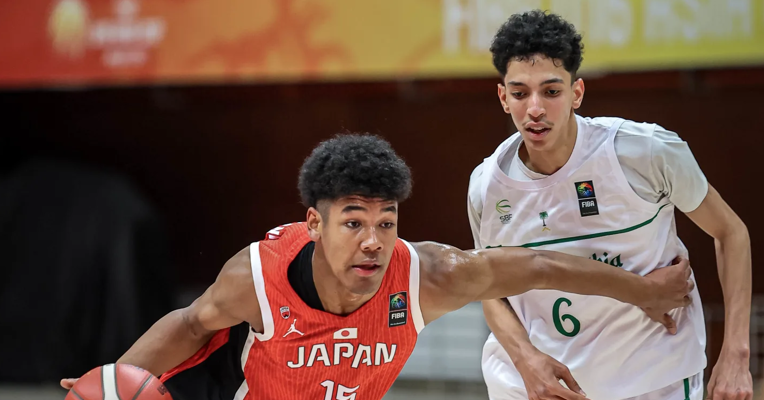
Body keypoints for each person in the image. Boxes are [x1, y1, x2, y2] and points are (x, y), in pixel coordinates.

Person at [62, 134, 693, 400]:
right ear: (315, 224)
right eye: (354, 223)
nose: (373, 241)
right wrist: (115, 379)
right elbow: (191, 323)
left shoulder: (429, 276)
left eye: (386, 222)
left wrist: (641, 292)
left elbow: (540, 266)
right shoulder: (257, 277)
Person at [468, 10, 752, 400]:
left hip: (651, 378)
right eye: (520, 93)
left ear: (577, 93)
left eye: (551, 92)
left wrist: (736, 353)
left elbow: (731, 232)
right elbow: (489, 288)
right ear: (503, 97)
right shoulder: (486, 185)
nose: (535, 108)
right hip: (536, 384)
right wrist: (525, 359)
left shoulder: (645, 151)